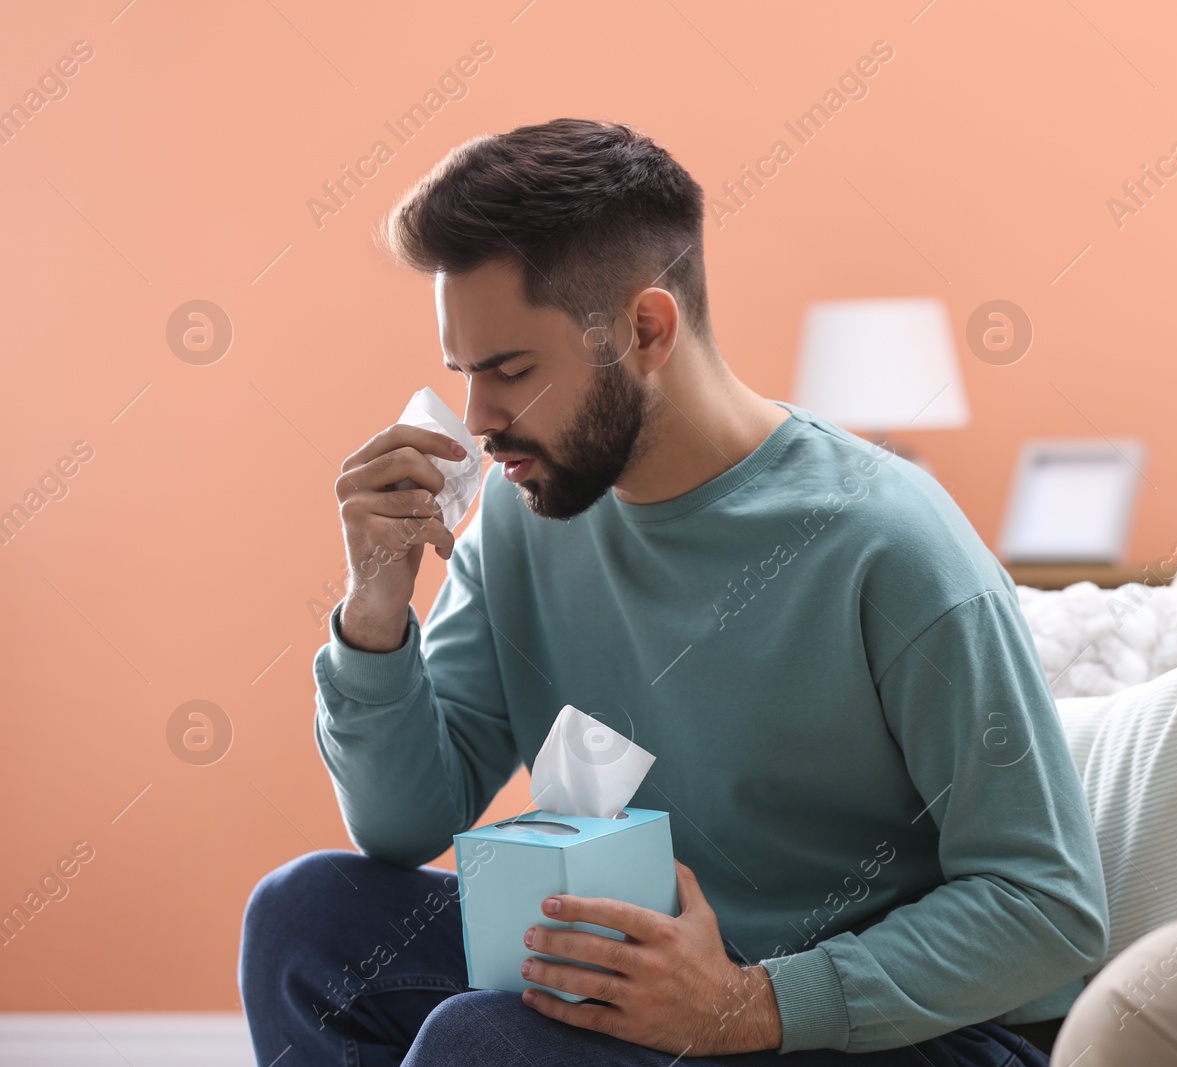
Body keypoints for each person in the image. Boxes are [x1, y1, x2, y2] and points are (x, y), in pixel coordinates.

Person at [238, 118, 1108, 1067]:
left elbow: (1048, 907)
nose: (480, 421)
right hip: (654, 986)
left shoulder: (885, 540)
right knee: (306, 919)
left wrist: (749, 1003)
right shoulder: (525, 523)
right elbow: (403, 824)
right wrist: (374, 612)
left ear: (645, 330)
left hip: (897, 1032)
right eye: (465, 375)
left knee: (481, 1043)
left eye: (511, 372)